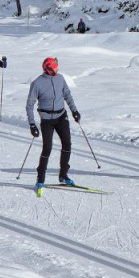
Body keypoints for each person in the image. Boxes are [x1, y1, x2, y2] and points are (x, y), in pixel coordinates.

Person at [26, 56, 81, 196]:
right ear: (49, 69)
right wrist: (32, 124)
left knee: (67, 144)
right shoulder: (37, 83)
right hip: (47, 120)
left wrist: (74, 111)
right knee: (47, 148)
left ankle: (63, 174)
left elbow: (67, 95)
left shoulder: (60, 78)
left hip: (61, 116)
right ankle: (40, 179)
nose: (58, 68)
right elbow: (29, 105)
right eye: (55, 66)